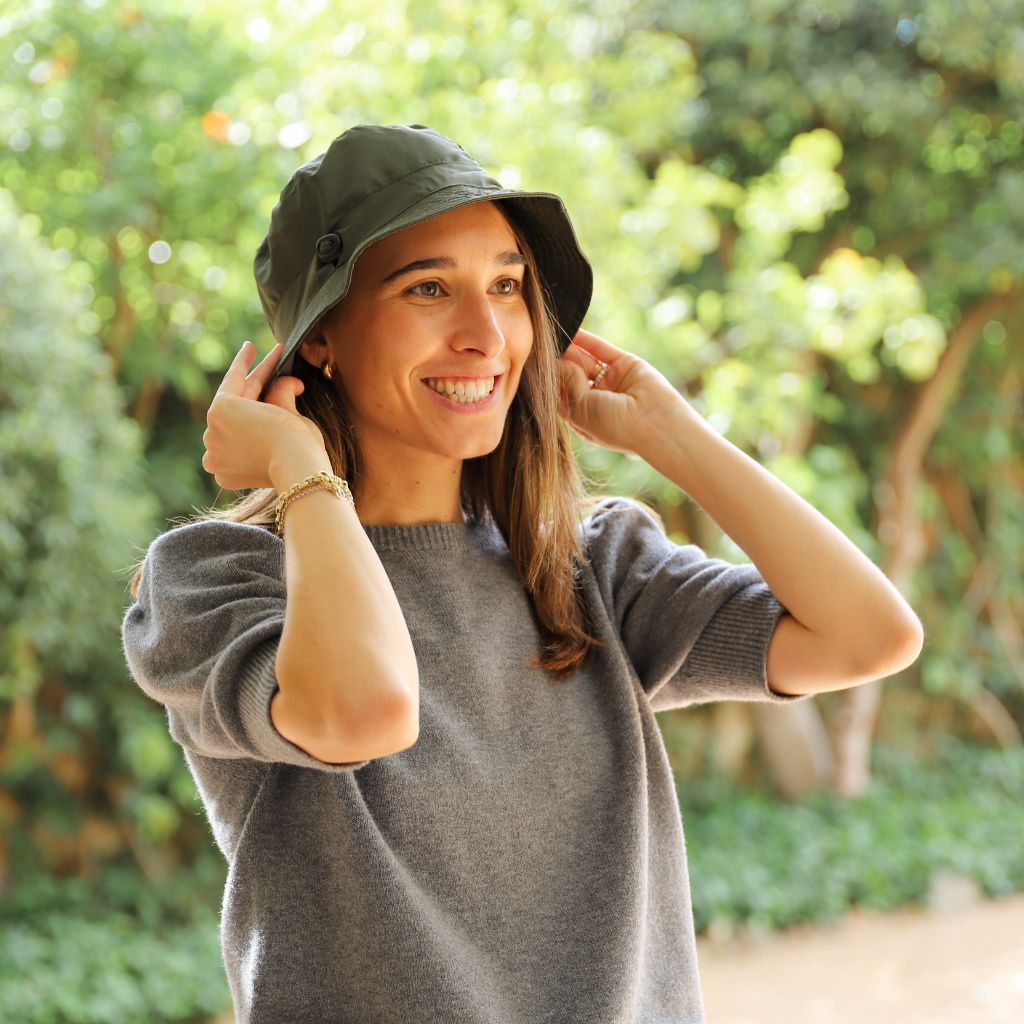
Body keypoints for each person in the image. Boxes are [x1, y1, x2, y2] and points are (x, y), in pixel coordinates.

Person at [121, 123, 923, 1024]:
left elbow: (872, 635)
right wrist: (302, 471)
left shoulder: (587, 564)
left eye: (507, 287)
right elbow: (365, 710)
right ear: (321, 340)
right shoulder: (216, 577)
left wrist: (672, 437)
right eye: (429, 288)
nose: (486, 334)